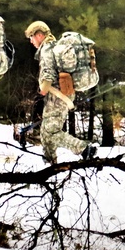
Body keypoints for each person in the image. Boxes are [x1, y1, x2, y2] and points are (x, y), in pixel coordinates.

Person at [24, 20, 97, 164]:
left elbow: (48, 76)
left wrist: (40, 94)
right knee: (46, 132)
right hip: (63, 94)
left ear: (39, 35)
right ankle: (50, 164)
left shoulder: (46, 50)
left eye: (31, 37)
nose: (31, 41)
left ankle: (83, 149)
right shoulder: (54, 47)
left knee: (51, 132)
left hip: (57, 96)